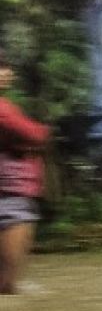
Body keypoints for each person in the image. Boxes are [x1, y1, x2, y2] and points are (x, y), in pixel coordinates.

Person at [0, 51, 49, 295]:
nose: (8, 72)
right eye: (1, 67)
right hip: (10, 193)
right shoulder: (3, 109)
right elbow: (35, 134)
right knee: (9, 285)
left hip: (9, 191)